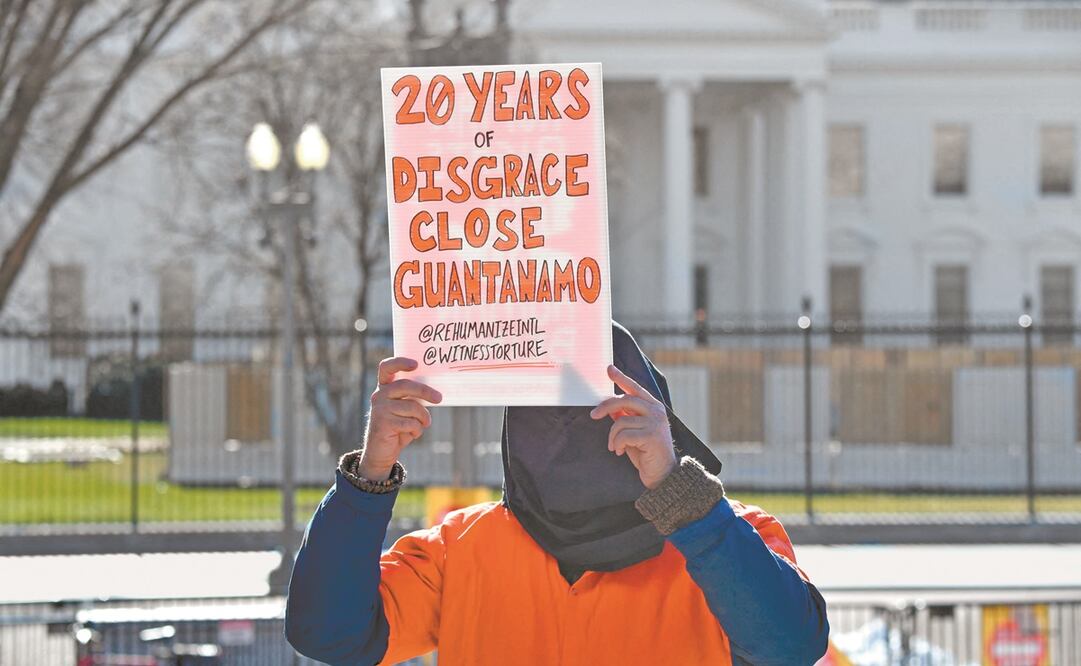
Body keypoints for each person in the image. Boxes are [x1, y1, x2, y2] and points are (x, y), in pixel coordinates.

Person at [285, 323, 829, 665]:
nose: (577, 431)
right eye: (552, 414)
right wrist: (372, 469)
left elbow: (791, 647)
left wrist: (676, 489)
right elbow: (328, 634)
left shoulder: (730, 537)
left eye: (611, 412)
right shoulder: (462, 549)